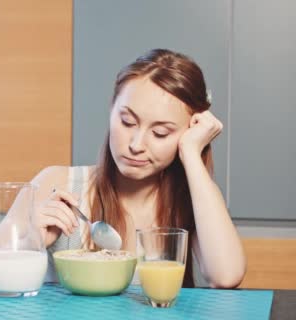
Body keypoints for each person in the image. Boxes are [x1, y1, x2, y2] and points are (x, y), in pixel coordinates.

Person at [33, 48, 246, 288]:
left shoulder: (192, 200)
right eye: (127, 122)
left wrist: (192, 154)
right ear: (112, 109)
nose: (136, 145)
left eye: (160, 133)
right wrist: (30, 238)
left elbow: (226, 276)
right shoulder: (56, 183)